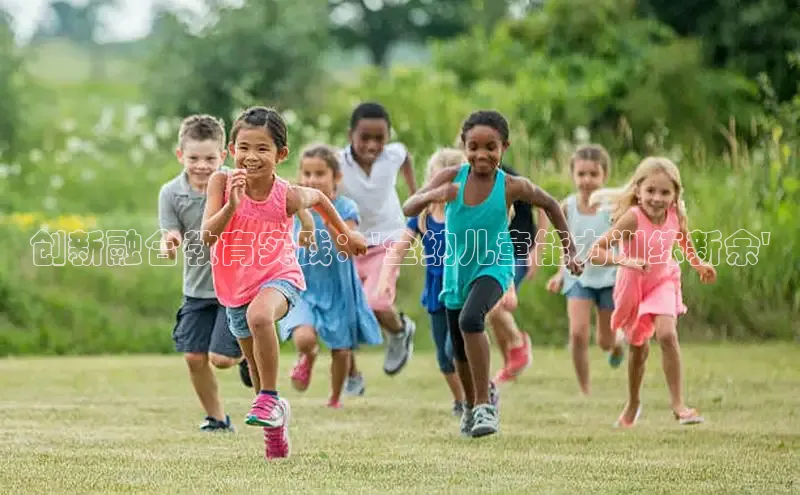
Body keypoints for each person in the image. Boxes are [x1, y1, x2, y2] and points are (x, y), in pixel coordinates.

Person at [403, 110, 582, 438]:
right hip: (456, 270)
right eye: (473, 146)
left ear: (504, 147)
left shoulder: (511, 185)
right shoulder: (450, 178)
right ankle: (471, 407)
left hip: (496, 265)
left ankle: (485, 405)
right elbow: (409, 207)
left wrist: (569, 250)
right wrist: (434, 195)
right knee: (457, 347)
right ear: (463, 145)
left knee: (470, 319)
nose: (481, 154)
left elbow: (552, 205)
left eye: (491, 147)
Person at [201, 106, 367, 459]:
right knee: (256, 374)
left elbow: (320, 199)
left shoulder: (287, 194)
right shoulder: (221, 182)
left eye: (263, 149)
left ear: (281, 154)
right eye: (244, 147)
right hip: (235, 285)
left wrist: (345, 237)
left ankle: (272, 398)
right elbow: (206, 236)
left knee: (260, 317)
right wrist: (232, 206)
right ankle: (275, 422)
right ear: (231, 149)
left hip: (280, 276)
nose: (251, 157)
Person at [587, 156, 716, 428]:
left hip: (663, 281)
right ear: (638, 191)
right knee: (638, 351)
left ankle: (679, 406)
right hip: (633, 287)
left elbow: (683, 241)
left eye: (665, 192)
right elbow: (595, 252)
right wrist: (626, 261)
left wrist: (699, 264)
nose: (657, 198)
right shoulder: (631, 219)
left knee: (668, 334)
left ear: (675, 194)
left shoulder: (676, 215)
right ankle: (633, 402)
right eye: (651, 191)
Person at [157, 114, 247, 433]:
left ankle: (247, 354)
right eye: (194, 158)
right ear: (181, 155)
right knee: (195, 358)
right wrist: (170, 243)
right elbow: (171, 232)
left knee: (220, 359)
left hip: (234, 285)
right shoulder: (171, 193)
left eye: (210, 158)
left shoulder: (235, 185)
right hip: (197, 288)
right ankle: (218, 419)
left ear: (223, 156)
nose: (202, 165)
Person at [278, 144, 383, 409]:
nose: (312, 180)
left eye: (320, 174)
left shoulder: (345, 208)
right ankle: (308, 356)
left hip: (338, 286)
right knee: (304, 337)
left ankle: (335, 398)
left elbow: (347, 248)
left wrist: (330, 222)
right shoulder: (295, 204)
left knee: (342, 348)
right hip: (301, 285)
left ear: (336, 177)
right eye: (307, 174)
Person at [337, 101, 417, 393]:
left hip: (389, 238)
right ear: (350, 135)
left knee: (377, 302)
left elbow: (405, 156)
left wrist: (414, 196)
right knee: (343, 310)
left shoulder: (394, 154)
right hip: (350, 242)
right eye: (364, 138)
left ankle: (398, 332)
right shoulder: (337, 162)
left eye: (379, 138)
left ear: (388, 136)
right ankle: (351, 376)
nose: (372, 145)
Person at [546, 144, 626, 395]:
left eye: (593, 174)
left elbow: (624, 241)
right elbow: (566, 245)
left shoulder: (613, 208)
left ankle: (618, 343)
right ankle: (585, 389)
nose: (587, 180)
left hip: (609, 277)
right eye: (581, 174)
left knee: (604, 341)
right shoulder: (566, 207)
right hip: (577, 277)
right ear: (573, 175)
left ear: (604, 176)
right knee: (578, 334)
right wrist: (560, 274)